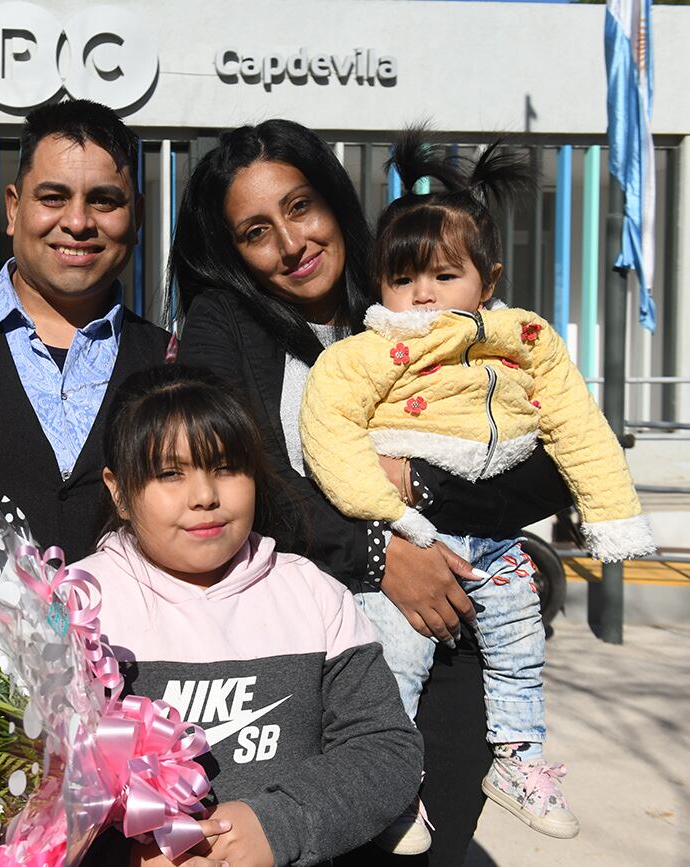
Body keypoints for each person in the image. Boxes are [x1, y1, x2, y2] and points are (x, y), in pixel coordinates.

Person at [171, 120, 576, 866]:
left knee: (431, 843)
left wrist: (422, 487)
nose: (290, 242)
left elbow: (541, 466)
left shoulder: (414, 299)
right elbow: (240, 476)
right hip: (296, 664)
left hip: (442, 632)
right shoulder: (224, 324)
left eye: (300, 208)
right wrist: (377, 551)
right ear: (233, 250)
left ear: (332, 199)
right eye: (257, 231)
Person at [300, 131, 654, 845]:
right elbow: (327, 421)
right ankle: (388, 783)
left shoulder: (524, 339)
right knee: (395, 655)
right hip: (410, 536)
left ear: (486, 281)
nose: (422, 293)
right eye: (403, 280)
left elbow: (577, 424)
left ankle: (519, 758)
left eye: (443, 275)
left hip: (493, 541)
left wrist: (612, 513)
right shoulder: (374, 349)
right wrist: (387, 505)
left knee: (520, 638)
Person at [77, 365, 423, 867]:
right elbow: (11, 783)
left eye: (225, 468)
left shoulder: (311, 593)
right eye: (170, 473)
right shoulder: (73, 605)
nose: (205, 497)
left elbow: (386, 749)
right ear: (118, 491)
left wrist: (278, 825)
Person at [0, 99, 170, 625]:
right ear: (14, 207)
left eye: (104, 200)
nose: (78, 222)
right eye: (54, 197)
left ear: (138, 215)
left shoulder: (170, 362)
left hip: (137, 693)